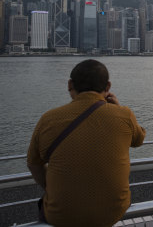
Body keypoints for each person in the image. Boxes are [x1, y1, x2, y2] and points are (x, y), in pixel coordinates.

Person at [27, 59, 146, 227]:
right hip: (112, 211)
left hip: (60, 215)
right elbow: (139, 139)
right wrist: (118, 108)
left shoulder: (48, 119)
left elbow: (33, 163)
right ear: (108, 87)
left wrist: (50, 187)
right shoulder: (124, 115)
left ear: (70, 84)